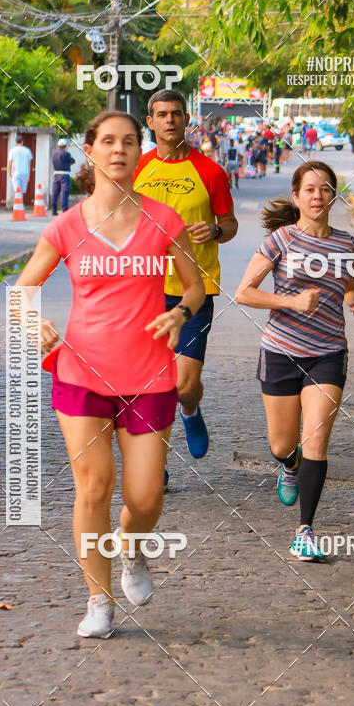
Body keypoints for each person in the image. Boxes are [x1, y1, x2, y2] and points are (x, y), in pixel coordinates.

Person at [13, 110, 205, 638]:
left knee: (145, 499)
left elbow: (194, 286)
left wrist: (180, 313)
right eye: (108, 141)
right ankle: (98, 599)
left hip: (149, 376)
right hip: (80, 373)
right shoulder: (66, 226)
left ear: (139, 151)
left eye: (128, 142)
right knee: (94, 486)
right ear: (90, 151)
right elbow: (23, 290)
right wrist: (36, 324)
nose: (118, 149)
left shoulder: (165, 220)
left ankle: (133, 550)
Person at [235, 161, 354, 561]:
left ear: (333, 196)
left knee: (317, 439)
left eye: (325, 189)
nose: (317, 196)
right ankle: (288, 464)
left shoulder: (345, 243)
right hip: (280, 351)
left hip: (328, 353)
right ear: (296, 197)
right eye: (309, 190)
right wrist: (290, 301)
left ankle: (305, 530)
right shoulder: (280, 241)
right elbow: (244, 292)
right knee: (282, 444)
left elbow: (349, 288)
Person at [132, 89, 238, 475]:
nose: (170, 120)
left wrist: (214, 230)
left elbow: (230, 225)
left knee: (182, 384)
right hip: (143, 290)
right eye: (162, 114)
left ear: (186, 118)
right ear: (151, 122)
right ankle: (153, 461)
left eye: (176, 113)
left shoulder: (210, 171)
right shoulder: (138, 169)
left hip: (194, 290)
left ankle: (191, 410)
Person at [51, 138, 75, 215]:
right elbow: (72, 161)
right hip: (65, 175)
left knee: (55, 192)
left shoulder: (54, 154)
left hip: (56, 174)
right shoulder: (66, 154)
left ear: (58, 146)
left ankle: (53, 210)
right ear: (65, 146)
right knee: (64, 192)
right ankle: (64, 210)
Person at [8, 133, 33, 199]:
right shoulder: (27, 151)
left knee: (17, 191)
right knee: (22, 192)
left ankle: (17, 206)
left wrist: (9, 173)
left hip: (16, 173)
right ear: (22, 141)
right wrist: (29, 175)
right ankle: (21, 206)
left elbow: (10, 163)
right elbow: (29, 164)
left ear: (15, 142)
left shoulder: (12, 151)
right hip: (25, 173)